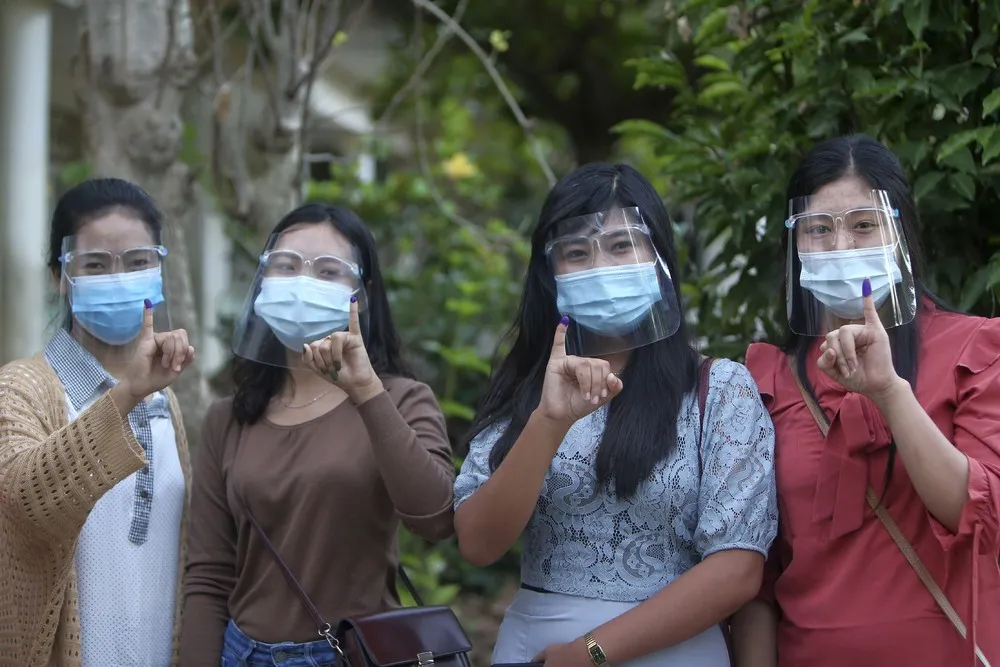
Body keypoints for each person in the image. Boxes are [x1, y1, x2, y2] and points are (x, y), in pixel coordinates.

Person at [454, 163, 778, 667]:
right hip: (534, 649)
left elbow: (737, 567)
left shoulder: (718, 389)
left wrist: (589, 653)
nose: (601, 266)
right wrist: (548, 422)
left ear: (659, 257)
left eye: (622, 245)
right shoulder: (529, 388)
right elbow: (477, 543)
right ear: (550, 273)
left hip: (672, 653)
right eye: (577, 252)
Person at [730, 135, 1000, 667]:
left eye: (862, 225)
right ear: (796, 243)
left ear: (898, 232)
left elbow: (984, 515)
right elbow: (757, 578)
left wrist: (890, 392)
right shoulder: (767, 379)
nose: (841, 248)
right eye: (819, 229)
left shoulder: (974, 347)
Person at [180, 203, 455, 665]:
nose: (302, 282)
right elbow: (209, 575)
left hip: (354, 654)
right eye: (285, 266)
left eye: (328, 271)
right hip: (244, 655)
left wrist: (367, 391)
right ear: (263, 283)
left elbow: (436, 519)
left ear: (360, 295)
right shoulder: (228, 418)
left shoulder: (402, 399)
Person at [0, 178, 196, 667]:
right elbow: (28, 502)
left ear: (159, 268)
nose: (119, 277)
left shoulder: (165, 401)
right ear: (58, 277)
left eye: (137, 262)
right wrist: (126, 393)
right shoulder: (21, 388)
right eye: (94, 265)